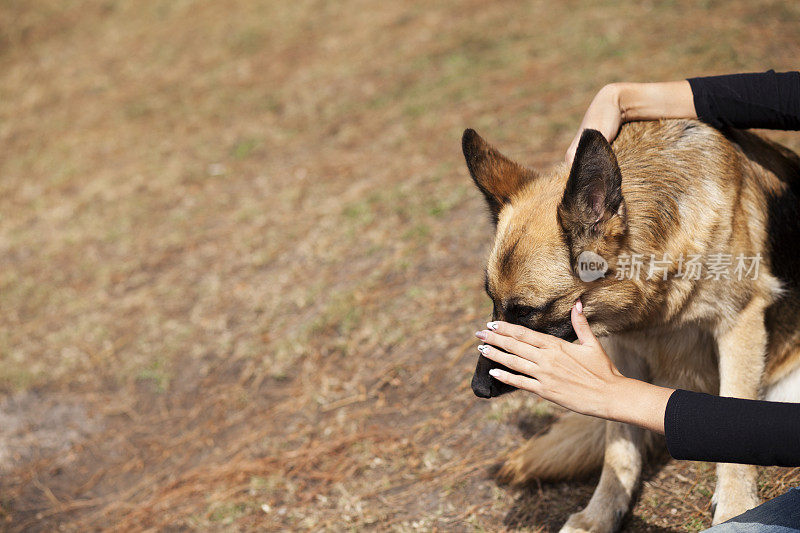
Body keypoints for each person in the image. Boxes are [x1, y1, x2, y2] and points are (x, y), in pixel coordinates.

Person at [474, 71, 800, 531]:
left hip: (786, 364)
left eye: (528, 312)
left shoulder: (702, 218)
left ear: (599, 217)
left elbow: (742, 319)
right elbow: (613, 319)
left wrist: (735, 483)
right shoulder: (596, 267)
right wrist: (619, 97)